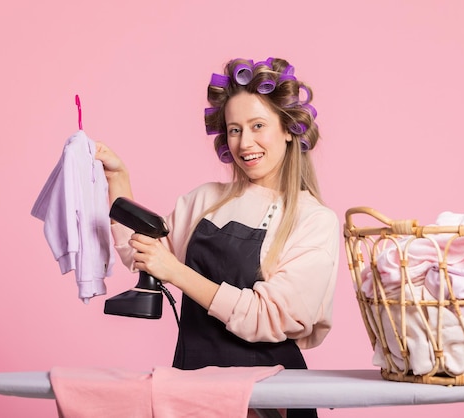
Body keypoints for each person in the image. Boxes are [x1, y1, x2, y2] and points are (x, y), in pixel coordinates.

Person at [95, 57, 339, 418]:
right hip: (193, 388)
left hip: (269, 399)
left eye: (258, 125)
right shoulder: (206, 200)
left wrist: (176, 272)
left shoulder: (313, 219)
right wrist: (118, 177)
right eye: (235, 129)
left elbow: (267, 316)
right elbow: (145, 254)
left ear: (288, 129)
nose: (245, 142)